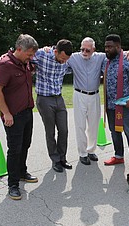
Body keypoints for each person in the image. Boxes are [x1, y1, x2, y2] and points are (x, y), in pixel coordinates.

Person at [0, 34, 39, 200]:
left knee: (25, 144)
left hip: (27, 112)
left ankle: (22, 172)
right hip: (13, 116)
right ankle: (13, 185)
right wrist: (6, 113)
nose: (31, 57)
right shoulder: (5, 64)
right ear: (19, 49)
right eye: (29, 54)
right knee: (14, 149)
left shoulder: (24, 62)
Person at [102, 34, 129, 171]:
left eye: (110, 47)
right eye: (106, 46)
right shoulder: (106, 61)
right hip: (110, 105)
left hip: (125, 104)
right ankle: (118, 156)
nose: (107, 49)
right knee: (114, 131)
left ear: (118, 47)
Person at [33, 39, 74, 173]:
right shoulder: (41, 55)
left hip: (59, 98)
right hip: (44, 99)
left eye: (66, 60)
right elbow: (23, 55)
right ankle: (55, 160)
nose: (64, 62)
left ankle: (63, 158)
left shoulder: (66, 59)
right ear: (56, 51)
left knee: (64, 130)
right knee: (50, 132)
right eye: (62, 58)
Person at [67, 37, 106, 165]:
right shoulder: (73, 58)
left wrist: (128, 53)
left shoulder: (100, 57)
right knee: (80, 125)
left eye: (87, 50)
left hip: (94, 95)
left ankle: (91, 150)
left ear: (93, 49)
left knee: (94, 125)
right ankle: (82, 153)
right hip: (79, 94)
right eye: (82, 49)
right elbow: (57, 53)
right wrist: (47, 49)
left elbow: (116, 55)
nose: (84, 52)